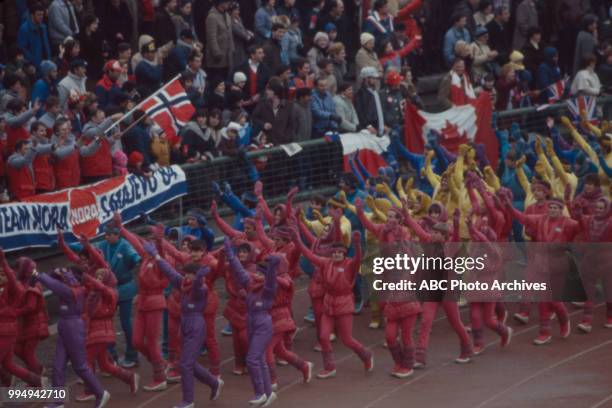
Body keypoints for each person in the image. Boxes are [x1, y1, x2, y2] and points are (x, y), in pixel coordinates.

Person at [290, 226, 372, 379]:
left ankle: (366, 355)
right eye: (334, 252)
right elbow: (308, 254)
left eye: (339, 252)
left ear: (344, 253)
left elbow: (358, 258)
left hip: (344, 304)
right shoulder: (325, 263)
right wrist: (297, 240)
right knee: (323, 336)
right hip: (329, 304)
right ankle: (329, 367)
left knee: (347, 339)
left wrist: (356, 243)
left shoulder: (350, 265)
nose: (336, 254)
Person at [147, 243, 224, 407]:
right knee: (189, 363)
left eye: (191, 274)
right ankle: (214, 383)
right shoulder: (182, 282)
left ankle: (188, 401)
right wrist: (157, 256)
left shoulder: (201, 288)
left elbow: (196, 287)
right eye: (186, 274)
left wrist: (199, 278)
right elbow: (169, 271)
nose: (187, 277)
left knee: (185, 364)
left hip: (196, 326)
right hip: (185, 325)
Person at [504, 196, 579, 345]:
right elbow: (523, 218)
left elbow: (581, 228)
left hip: (558, 266)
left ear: (561, 209)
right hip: (542, 264)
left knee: (555, 301)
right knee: (543, 301)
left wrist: (577, 210)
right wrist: (509, 207)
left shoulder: (568, 223)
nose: (552, 210)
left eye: (555, 208)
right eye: (550, 207)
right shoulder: (540, 219)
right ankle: (544, 332)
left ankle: (564, 321)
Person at [32, 266, 111, 408]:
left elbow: (53, 285)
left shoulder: (73, 291)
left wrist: (37, 274)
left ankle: (100, 393)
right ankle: (58, 401)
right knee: (58, 365)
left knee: (80, 366)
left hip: (73, 328)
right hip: (65, 326)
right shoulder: (72, 288)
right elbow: (54, 281)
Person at [224, 238, 279, 406]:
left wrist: (272, 268)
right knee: (260, 359)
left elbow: (270, 281)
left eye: (262, 274)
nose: (258, 276)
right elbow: (239, 270)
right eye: (258, 273)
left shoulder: (268, 290)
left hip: (263, 323)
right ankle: (269, 393)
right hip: (251, 322)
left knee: (252, 359)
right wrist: (230, 254)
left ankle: (259, 392)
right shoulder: (250, 283)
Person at [76, 268, 140, 401]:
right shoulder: (95, 292)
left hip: (101, 333)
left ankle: (92, 391)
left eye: (101, 277)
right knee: (105, 364)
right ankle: (130, 377)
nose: (98, 279)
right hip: (97, 332)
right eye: (97, 276)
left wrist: (87, 276)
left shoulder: (111, 292)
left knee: (86, 361)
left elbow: (102, 288)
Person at [0, 251, 47, 389]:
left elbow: (29, 307)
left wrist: (3, 260)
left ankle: (35, 377)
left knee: (27, 352)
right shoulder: (5, 288)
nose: (1, 275)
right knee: (9, 363)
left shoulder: (16, 288)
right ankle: (37, 381)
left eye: (3, 274)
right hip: (9, 328)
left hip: (8, 329)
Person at [205, 0, 235, 85]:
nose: (228, 4)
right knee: (216, 84)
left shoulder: (227, 15)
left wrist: (232, 49)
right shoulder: (212, 17)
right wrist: (217, 53)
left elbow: (230, 35)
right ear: (220, 3)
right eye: (226, 2)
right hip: (216, 61)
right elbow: (211, 38)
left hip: (227, 58)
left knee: (225, 83)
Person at [17, 3, 52, 71]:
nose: (41, 17)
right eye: (38, 14)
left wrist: (49, 59)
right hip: (34, 66)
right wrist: (33, 62)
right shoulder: (24, 29)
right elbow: (23, 49)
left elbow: (47, 45)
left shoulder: (43, 27)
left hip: (46, 63)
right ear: (32, 15)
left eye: (42, 14)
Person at [355, 67, 384, 135]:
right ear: (366, 79)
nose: (376, 80)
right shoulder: (360, 94)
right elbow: (360, 112)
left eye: (376, 78)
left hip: (378, 128)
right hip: (369, 130)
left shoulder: (374, 92)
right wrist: (368, 125)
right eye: (373, 78)